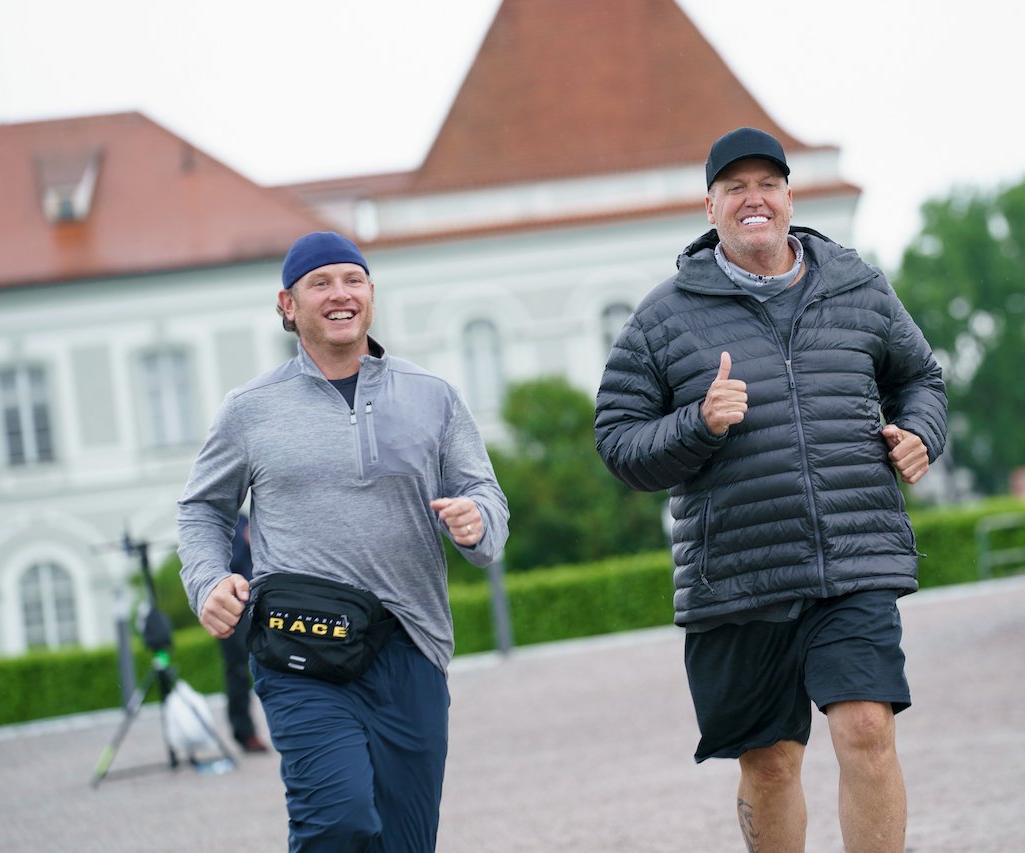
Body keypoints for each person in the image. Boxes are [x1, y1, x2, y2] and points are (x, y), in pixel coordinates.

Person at [594, 128, 947, 853]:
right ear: (711, 206)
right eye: (735, 187)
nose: (753, 198)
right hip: (737, 578)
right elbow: (619, 443)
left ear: (789, 197)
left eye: (767, 184)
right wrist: (698, 423)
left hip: (852, 556)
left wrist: (921, 433)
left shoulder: (857, 284)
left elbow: (921, 378)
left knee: (866, 727)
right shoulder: (665, 316)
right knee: (772, 762)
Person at [177, 231, 510, 852]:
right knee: (339, 820)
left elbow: (485, 496)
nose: (340, 294)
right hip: (298, 648)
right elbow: (201, 510)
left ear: (371, 295)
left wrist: (476, 521)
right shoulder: (250, 409)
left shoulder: (433, 396)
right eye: (320, 283)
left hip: (411, 643)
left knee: (406, 843)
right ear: (288, 304)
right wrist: (207, 581)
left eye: (352, 280)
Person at [218, 512, 266, 753]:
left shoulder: (246, 518)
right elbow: (223, 566)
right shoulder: (220, 522)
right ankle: (244, 732)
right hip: (234, 608)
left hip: (259, 603)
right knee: (238, 670)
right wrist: (247, 542)